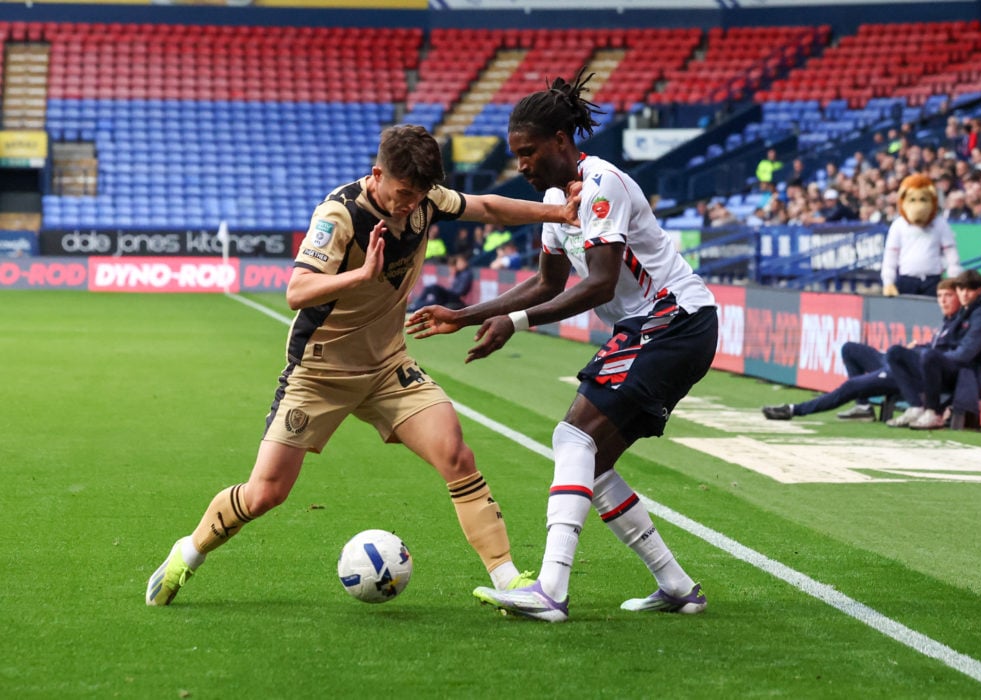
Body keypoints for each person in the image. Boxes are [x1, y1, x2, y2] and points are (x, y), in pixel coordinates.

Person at [146, 124, 582, 606]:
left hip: (387, 367)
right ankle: (188, 551)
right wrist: (362, 274)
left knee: (456, 455)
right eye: (402, 194)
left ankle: (508, 582)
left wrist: (558, 211)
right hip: (320, 373)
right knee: (265, 493)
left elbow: (485, 207)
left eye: (419, 196)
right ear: (378, 175)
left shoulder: (426, 197)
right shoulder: (339, 214)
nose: (410, 205)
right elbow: (296, 292)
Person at [407, 71, 718, 622]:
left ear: (560, 141)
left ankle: (550, 590)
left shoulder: (600, 185)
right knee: (589, 463)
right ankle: (675, 584)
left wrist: (516, 322)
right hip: (656, 326)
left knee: (572, 436)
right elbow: (547, 281)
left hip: (675, 319)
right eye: (515, 155)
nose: (521, 165)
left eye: (528, 153)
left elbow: (598, 282)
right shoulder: (559, 199)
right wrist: (465, 314)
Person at [762, 279, 962, 421]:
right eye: (940, 296)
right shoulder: (947, 322)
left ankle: (793, 410)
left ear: (959, 297)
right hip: (898, 363)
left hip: (905, 374)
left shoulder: (960, 326)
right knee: (850, 349)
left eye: (948, 296)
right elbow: (935, 348)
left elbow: (943, 359)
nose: (943, 300)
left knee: (850, 386)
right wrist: (918, 347)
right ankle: (863, 407)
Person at [886, 269, 981, 430]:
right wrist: (920, 351)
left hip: (972, 374)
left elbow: (965, 354)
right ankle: (916, 406)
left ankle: (933, 412)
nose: (965, 294)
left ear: (980, 291)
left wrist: (932, 357)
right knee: (896, 353)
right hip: (953, 367)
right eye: (961, 289)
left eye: (970, 290)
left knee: (930, 357)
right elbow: (944, 344)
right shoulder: (965, 310)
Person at [881, 174, 962, 297]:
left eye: (923, 199)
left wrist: (954, 277)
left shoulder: (940, 224)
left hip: (933, 279)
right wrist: (888, 281)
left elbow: (950, 252)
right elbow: (890, 256)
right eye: (912, 200)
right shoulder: (898, 225)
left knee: (933, 314)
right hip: (907, 279)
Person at [407, 253, 473, 312]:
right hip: (451, 296)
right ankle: (414, 307)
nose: (460, 264)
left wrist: (447, 290)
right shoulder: (459, 273)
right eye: (459, 262)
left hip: (455, 297)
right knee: (433, 302)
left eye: (461, 262)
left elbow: (459, 291)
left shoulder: (466, 274)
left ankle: (415, 305)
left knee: (434, 287)